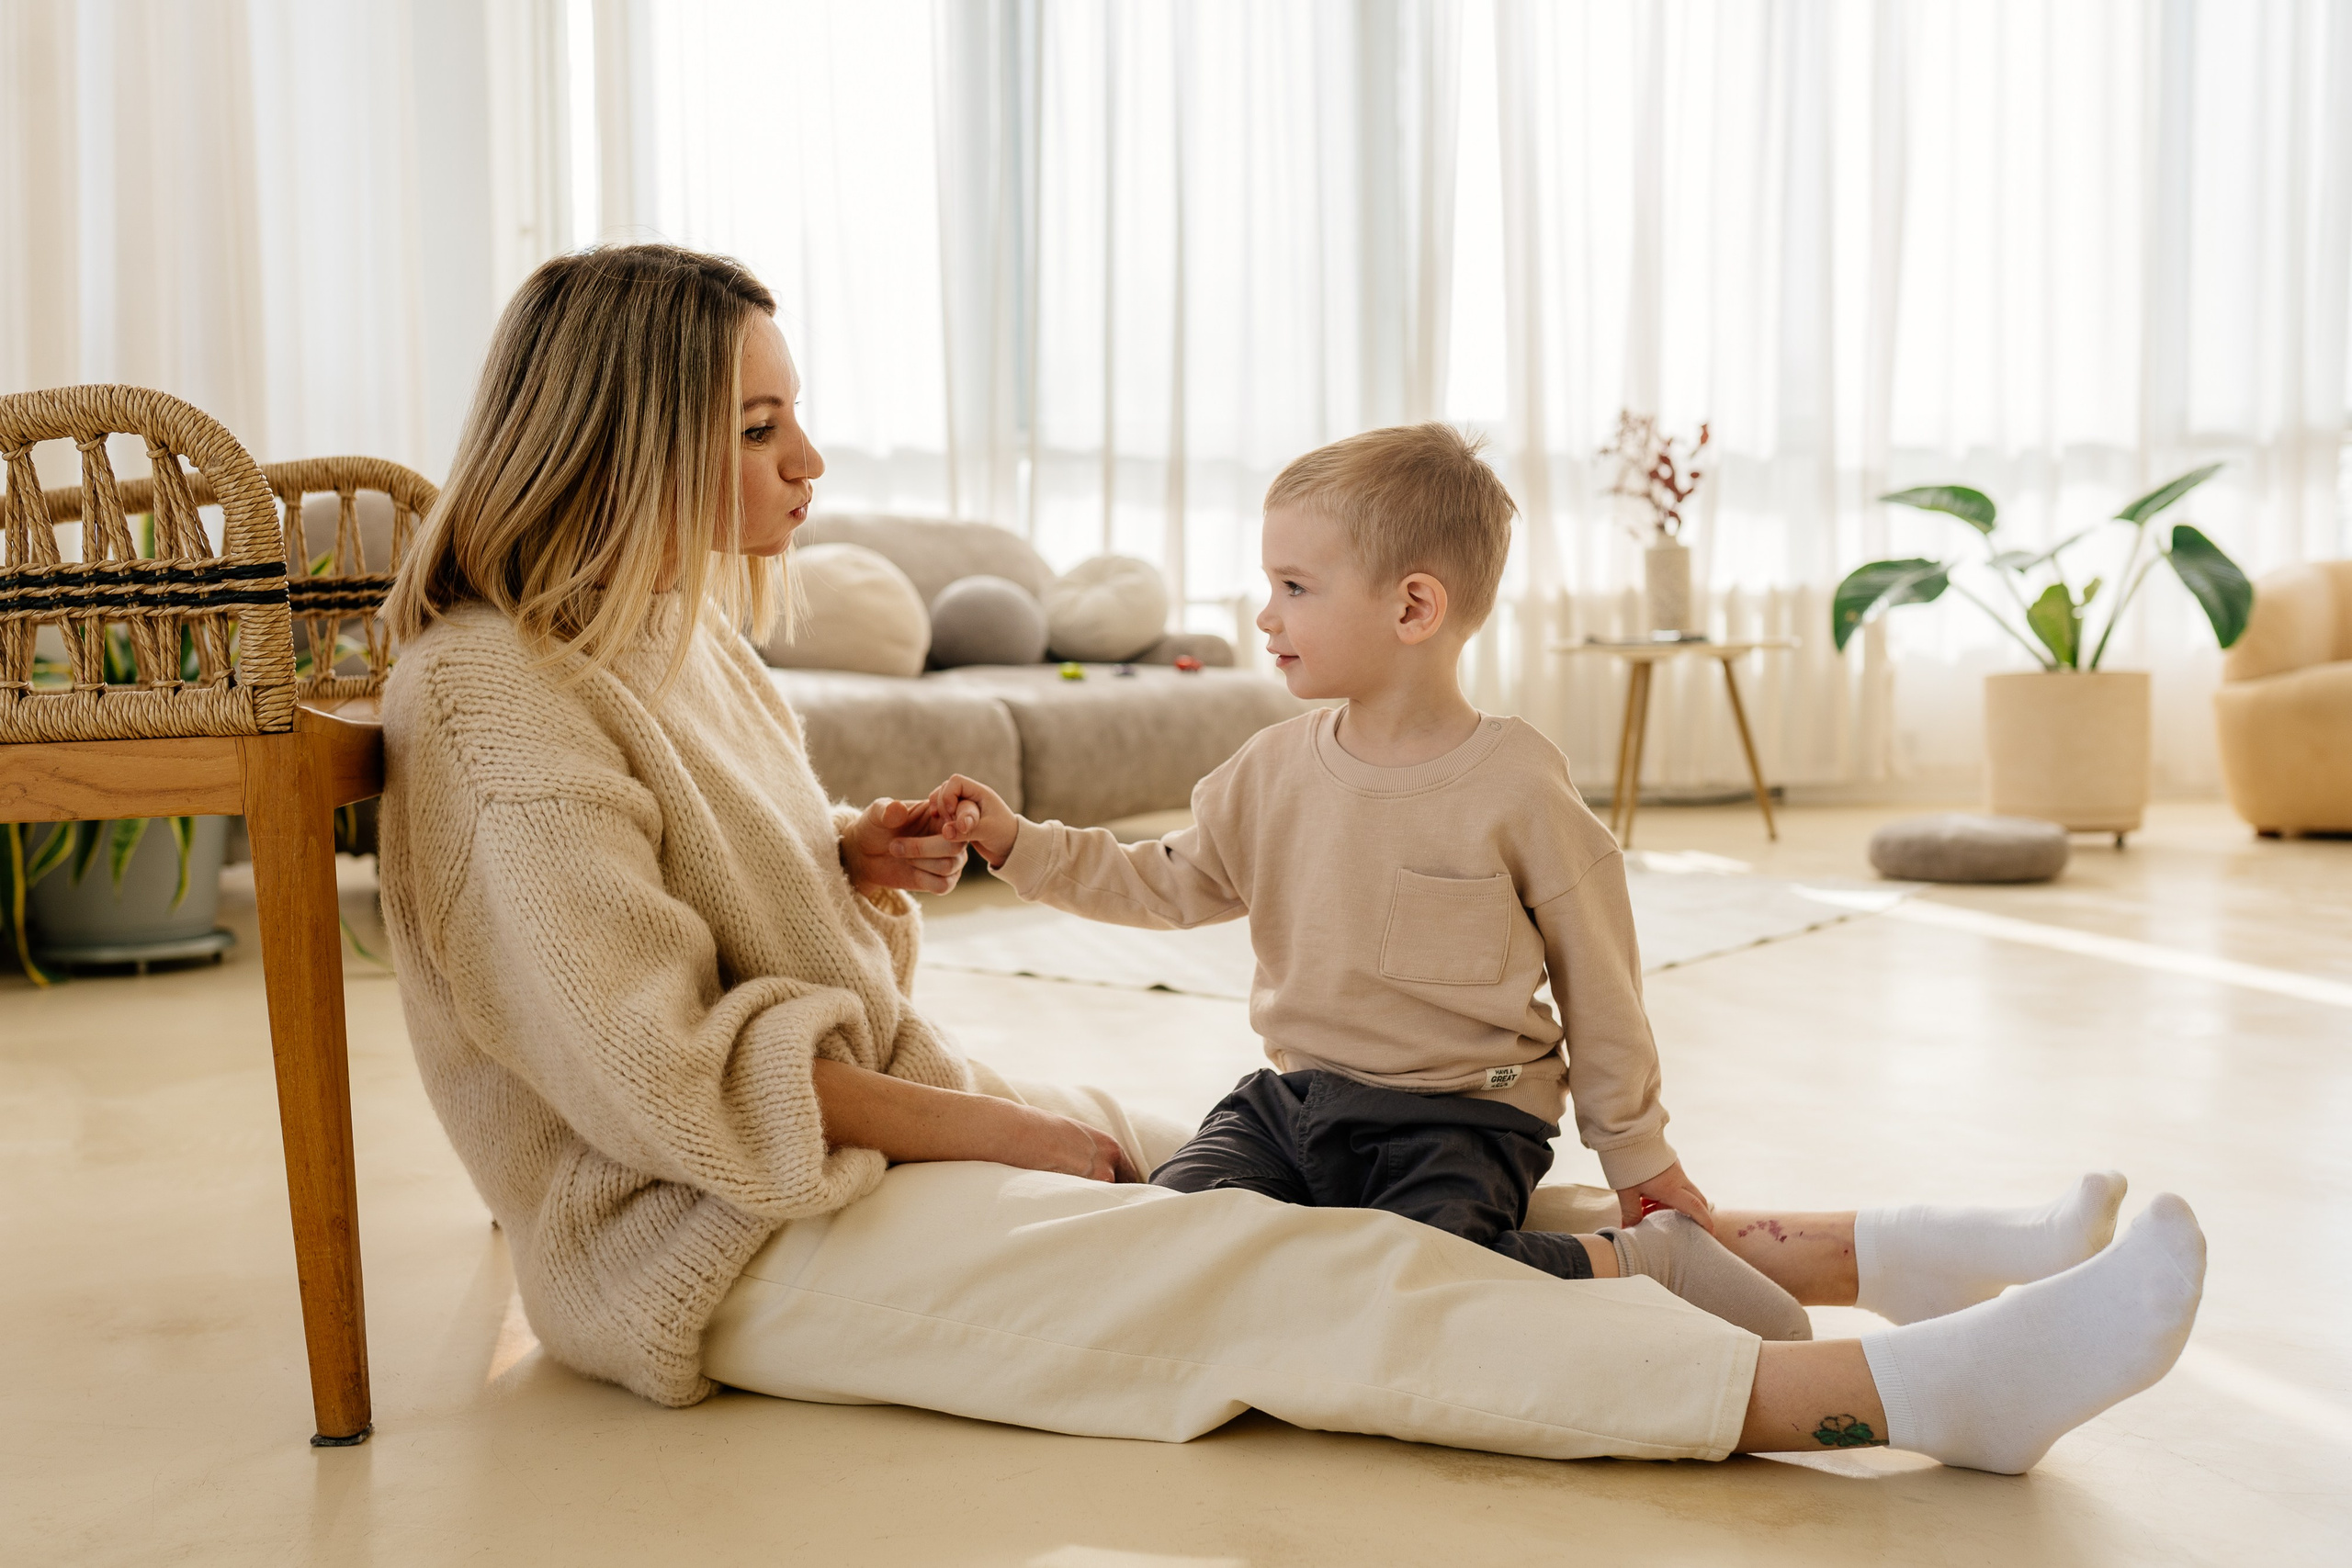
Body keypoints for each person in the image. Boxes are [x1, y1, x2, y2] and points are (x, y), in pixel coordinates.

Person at [378, 242, 2205, 1478]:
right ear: (627, 440)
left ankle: (1881, 1254)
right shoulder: (491, 703)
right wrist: (1012, 1131)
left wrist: (831, 854)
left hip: (832, 1163)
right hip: (719, 1246)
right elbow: (662, 1081)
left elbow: (685, 924)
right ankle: (1889, 1397)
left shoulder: (672, 646)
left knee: (1340, 1146)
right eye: (759, 425)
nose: (809, 460)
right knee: (1279, 1267)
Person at [916, 424, 1809, 1339]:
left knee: (1417, 1288)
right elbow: (1162, 882)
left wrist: (1639, 1157)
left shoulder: (1518, 787)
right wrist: (1017, 842)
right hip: (1293, 1105)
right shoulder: (1268, 770)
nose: (1265, 616)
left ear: (1414, 607)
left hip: (1464, 1120)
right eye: (1270, 585)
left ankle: (1639, 1264)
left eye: (1294, 588)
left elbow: (1602, 988)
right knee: (1163, 1234)